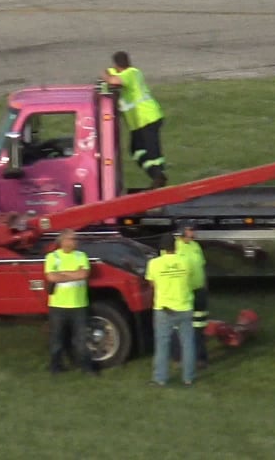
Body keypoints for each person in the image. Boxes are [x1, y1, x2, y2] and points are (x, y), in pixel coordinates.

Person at [106, 52, 168, 189]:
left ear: (116, 65)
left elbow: (113, 81)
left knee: (152, 153)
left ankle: (158, 177)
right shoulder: (131, 73)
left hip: (147, 118)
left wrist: (105, 76)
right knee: (136, 150)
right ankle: (157, 175)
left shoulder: (130, 73)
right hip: (139, 122)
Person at [43, 228, 95, 375]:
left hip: (79, 305)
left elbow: (84, 274)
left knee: (81, 340)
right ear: (63, 241)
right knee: (57, 339)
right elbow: (51, 277)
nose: (75, 241)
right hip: (58, 306)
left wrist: (63, 274)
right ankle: (55, 367)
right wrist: (74, 274)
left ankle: (86, 368)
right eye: (73, 238)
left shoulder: (81, 256)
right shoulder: (53, 257)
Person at [146, 234, 196, 386]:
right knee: (187, 343)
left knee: (162, 344)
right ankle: (188, 378)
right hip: (184, 305)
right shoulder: (186, 261)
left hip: (164, 308)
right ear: (175, 247)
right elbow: (190, 279)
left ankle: (160, 378)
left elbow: (152, 285)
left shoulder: (154, 264)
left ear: (161, 248)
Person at [176, 223, 210, 369]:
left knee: (199, 326)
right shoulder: (175, 248)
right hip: (185, 292)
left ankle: (200, 357)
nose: (193, 232)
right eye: (190, 230)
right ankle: (180, 357)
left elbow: (202, 266)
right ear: (182, 231)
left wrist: (205, 286)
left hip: (199, 291)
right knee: (182, 327)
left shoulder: (196, 246)